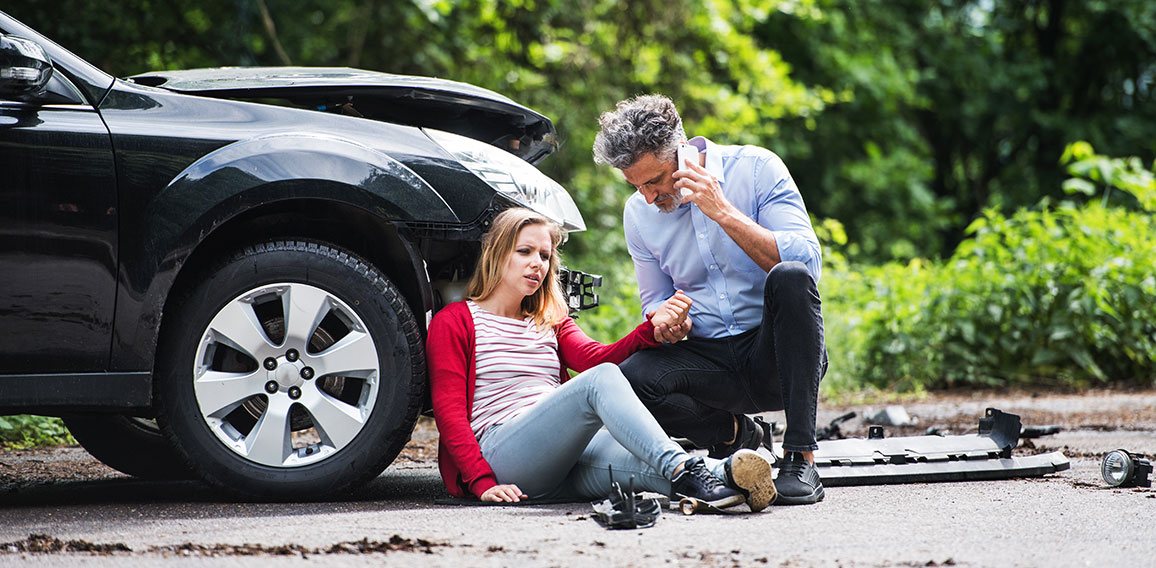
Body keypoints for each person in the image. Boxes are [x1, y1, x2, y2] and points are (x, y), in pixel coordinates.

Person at [427, 207, 777, 511]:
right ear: (497, 253)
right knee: (602, 383)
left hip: (559, 458)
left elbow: (595, 358)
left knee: (643, 458)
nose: (538, 264)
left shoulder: (550, 320)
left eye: (545, 256)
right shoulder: (456, 321)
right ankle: (688, 472)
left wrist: (650, 331)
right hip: (503, 455)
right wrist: (481, 481)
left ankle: (729, 475)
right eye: (525, 252)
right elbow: (449, 413)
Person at [592, 94, 828, 505]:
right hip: (709, 362)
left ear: (684, 156)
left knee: (789, 276)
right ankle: (733, 433)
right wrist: (665, 322)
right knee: (626, 379)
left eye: (655, 180)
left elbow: (806, 264)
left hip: (775, 354)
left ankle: (801, 456)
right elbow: (654, 302)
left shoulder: (756, 168)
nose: (649, 197)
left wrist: (723, 211)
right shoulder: (639, 214)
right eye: (636, 185)